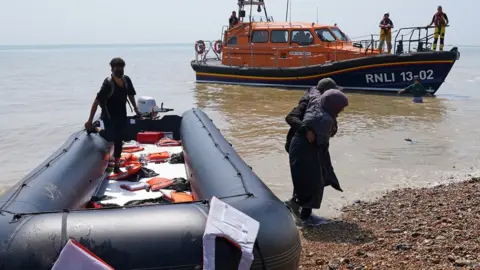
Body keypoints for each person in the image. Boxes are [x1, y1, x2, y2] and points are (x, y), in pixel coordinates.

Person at [287, 89, 348, 225]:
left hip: (300, 145)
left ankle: (297, 209)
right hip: (304, 147)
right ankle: (306, 218)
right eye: (341, 107)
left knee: (307, 179)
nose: (342, 110)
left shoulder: (318, 102)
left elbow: (314, 90)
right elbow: (322, 142)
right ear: (333, 105)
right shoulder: (324, 119)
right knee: (314, 182)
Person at [84, 57, 141, 173]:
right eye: (117, 67)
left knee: (119, 138)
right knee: (110, 136)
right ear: (112, 69)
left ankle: (116, 166)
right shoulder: (108, 83)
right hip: (109, 114)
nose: (119, 70)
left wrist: (135, 108)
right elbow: (97, 100)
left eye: (121, 67)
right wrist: (90, 120)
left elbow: (130, 95)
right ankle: (96, 127)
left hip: (121, 113)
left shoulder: (126, 80)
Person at [285, 78, 342, 153]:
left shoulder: (327, 104)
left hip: (318, 147)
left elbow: (332, 129)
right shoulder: (307, 102)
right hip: (299, 146)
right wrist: (307, 130)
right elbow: (290, 117)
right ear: (325, 91)